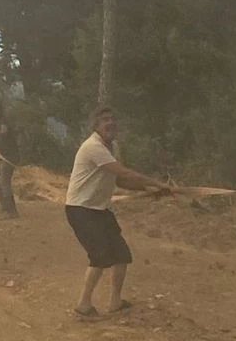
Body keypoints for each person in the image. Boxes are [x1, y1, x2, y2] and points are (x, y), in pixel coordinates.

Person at [65, 106, 171, 317]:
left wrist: (150, 190)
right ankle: (83, 306)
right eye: (105, 120)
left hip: (100, 209)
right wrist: (158, 184)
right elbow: (123, 172)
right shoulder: (93, 147)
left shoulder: (111, 147)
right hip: (81, 209)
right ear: (96, 126)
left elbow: (120, 180)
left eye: (113, 119)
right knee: (100, 257)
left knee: (122, 254)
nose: (110, 123)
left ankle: (115, 302)